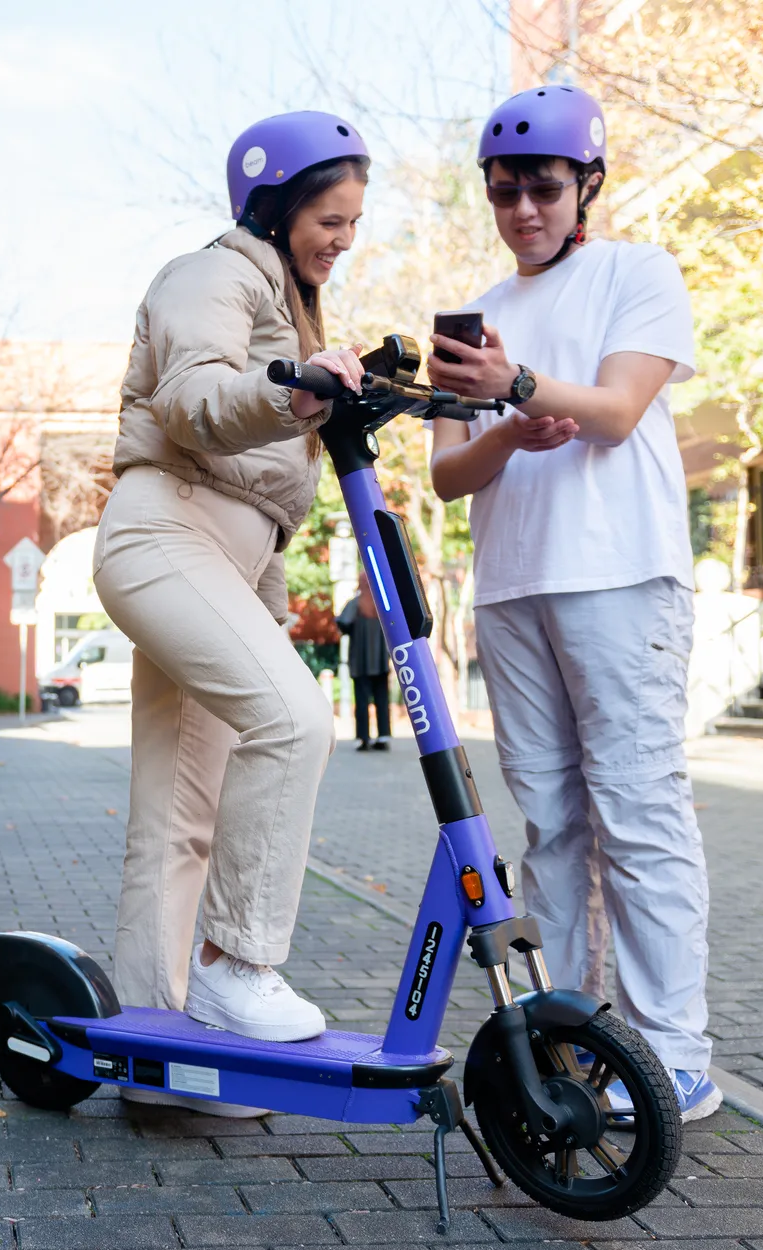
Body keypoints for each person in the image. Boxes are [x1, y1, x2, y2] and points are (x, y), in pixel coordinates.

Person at [424, 85, 720, 1121]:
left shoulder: (637, 271)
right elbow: (448, 476)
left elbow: (619, 409)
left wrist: (519, 386)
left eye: (543, 189)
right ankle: (565, 1041)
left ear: (586, 184)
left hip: (620, 572)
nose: (522, 211)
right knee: (549, 824)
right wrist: (509, 423)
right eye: (503, 192)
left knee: (637, 811)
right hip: (512, 585)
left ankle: (672, 1055)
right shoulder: (473, 318)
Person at [93, 111, 370, 1114]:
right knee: (295, 721)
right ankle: (236, 963)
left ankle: (160, 1056)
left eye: (353, 223)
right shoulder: (211, 274)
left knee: (180, 821)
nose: (342, 240)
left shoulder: (293, 311)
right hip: (163, 534)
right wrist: (295, 395)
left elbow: (261, 507)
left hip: (220, 554)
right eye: (329, 220)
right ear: (276, 207)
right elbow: (195, 399)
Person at [335, 575, 391, 751]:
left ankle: (363, 738)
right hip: (380, 661)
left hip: (360, 661)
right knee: (382, 699)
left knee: (361, 700)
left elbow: (344, 623)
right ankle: (383, 736)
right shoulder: (383, 605)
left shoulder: (355, 604)